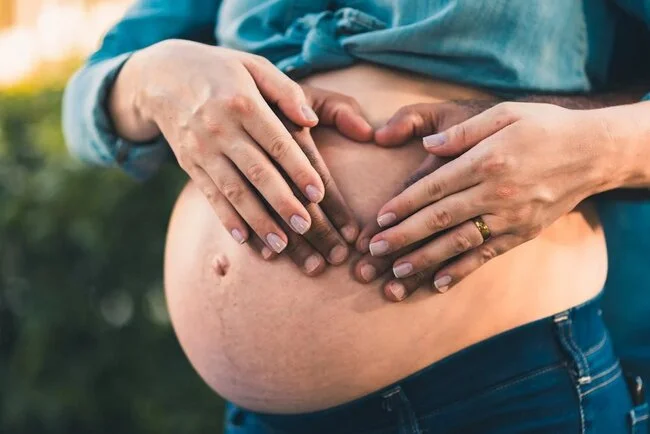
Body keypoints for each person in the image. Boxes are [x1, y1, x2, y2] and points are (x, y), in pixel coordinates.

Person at [63, 1, 650, 433]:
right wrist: (152, 79)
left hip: (504, 390)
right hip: (266, 418)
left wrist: (602, 146)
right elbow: (91, 94)